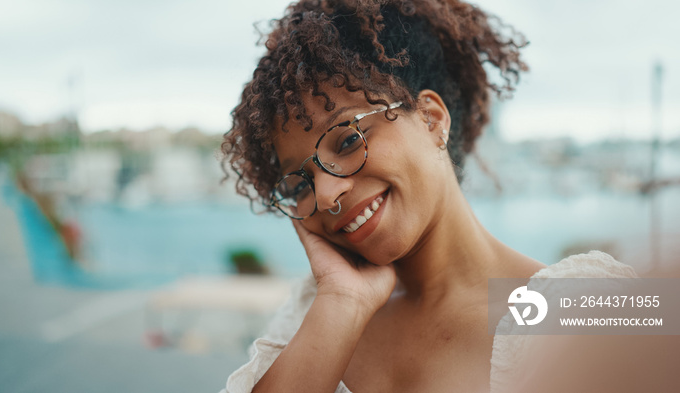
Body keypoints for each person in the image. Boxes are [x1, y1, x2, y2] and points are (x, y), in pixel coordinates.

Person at [219, 0, 637, 392]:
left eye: (347, 141)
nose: (326, 195)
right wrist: (343, 302)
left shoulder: (592, 304)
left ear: (432, 120)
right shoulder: (309, 319)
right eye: (300, 183)